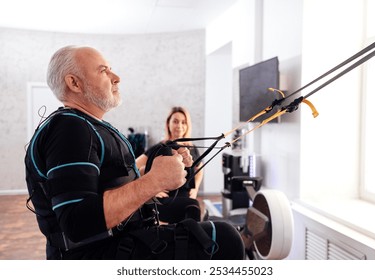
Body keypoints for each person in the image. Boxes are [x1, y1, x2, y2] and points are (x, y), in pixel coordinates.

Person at [24, 45, 244, 260]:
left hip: (122, 240)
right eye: (103, 70)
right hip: (94, 255)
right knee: (225, 238)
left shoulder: (86, 126)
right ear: (74, 83)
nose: (116, 77)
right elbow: (77, 224)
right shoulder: (70, 129)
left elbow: (111, 185)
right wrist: (154, 181)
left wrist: (162, 171)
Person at [136, 107, 203, 223]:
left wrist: (195, 189)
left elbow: (199, 169)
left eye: (183, 122)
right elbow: (134, 167)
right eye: (175, 121)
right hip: (166, 199)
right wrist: (152, 189)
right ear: (168, 124)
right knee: (193, 207)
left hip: (186, 198)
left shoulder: (192, 148)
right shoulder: (160, 147)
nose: (179, 126)